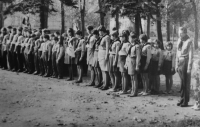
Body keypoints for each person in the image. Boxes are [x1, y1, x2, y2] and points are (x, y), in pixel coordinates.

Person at [176, 27, 193, 107]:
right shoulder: (179, 40)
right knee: (181, 82)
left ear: (185, 33)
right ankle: (181, 99)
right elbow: (177, 53)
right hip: (180, 61)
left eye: (181, 33)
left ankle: (185, 101)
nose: (180, 34)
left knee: (185, 82)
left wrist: (189, 67)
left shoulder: (189, 41)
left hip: (185, 61)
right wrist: (176, 64)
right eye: (179, 33)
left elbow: (191, 55)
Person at [126, 32, 141, 97]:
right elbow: (128, 55)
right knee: (131, 77)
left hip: (134, 61)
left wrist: (137, 65)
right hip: (130, 61)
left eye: (130, 38)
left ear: (134, 38)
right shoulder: (130, 45)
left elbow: (138, 56)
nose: (129, 39)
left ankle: (135, 92)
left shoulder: (137, 46)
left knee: (134, 77)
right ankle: (132, 90)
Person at [97, 25, 110, 90]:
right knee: (102, 69)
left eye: (100, 31)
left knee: (105, 69)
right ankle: (103, 83)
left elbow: (107, 47)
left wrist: (106, 55)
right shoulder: (102, 37)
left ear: (102, 31)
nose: (99, 32)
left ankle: (106, 84)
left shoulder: (107, 37)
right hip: (101, 53)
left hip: (104, 53)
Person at [118, 30, 130, 94]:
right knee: (122, 74)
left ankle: (125, 89)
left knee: (124, 75)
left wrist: (126, 63)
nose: (120, 38)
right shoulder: (122, 43)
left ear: (124, 37)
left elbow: (128, 53)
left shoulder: (127, 44)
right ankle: (123, 88)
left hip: (124, 59)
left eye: (121, 37)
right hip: (121, 59)